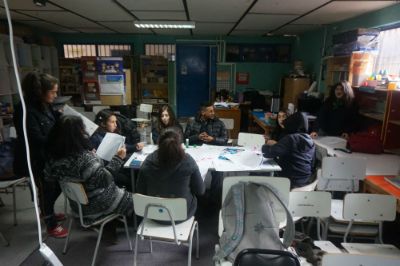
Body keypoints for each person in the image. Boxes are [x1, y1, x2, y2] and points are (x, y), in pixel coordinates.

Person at [44, 115, 134, 226]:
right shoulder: (84, 158)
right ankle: (112, 224)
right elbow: (105, 180)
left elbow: (49, 178)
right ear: (78, 133)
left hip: (78, 207)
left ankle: (111, 225)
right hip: (99, 203)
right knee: (138, 203)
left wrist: (93, 158)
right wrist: (118, 158)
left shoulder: (53, 158)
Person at [13, 72, 68, 238]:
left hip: (49, 156)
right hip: (36, 159)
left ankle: (46, 210)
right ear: (40, 92)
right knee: (47, 189)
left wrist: (63, 117)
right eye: (53, 92)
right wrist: (60, 138)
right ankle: (50, 223)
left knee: (57, 185)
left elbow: (52, 119)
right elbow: (36, 138)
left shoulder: (44, 105)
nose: (55, 95)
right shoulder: (24, 110)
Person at [137, 127, 205, 220]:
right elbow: (200, 190)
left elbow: (140, 190)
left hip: (154, 214)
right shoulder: (188, 161)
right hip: (181, 215)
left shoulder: (149, 161)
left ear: (159, 144)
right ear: (180, 145)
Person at [184, 102, 228, 207]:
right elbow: (184, 139)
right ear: (203, 112)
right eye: (210, 111)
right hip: (197, 153)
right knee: (193, 170)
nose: (213, 113)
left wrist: (213, 139)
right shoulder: (192, 122)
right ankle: (195, 196)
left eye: (213, 110)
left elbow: (225, 140)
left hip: (214, 153)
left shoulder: (219, 123)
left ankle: (214, 200)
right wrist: (197, 137)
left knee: (218, 172)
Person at [90, 109, 143, 191]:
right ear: (103, 124)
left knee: (136, 172)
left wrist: (135, 146)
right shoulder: (95, 138)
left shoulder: (111, 134)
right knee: (130, 179)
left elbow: (123, 146)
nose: (116, 125)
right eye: (112, 122)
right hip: (107, 171)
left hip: (117, 165)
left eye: (115, 122)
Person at [262, 112, 315, 188]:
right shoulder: (310, 140)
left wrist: (266, 144)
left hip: (289, 181)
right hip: (305, 182)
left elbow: (268, 153)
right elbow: (312, 164)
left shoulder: (291, 138)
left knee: (261, 175)